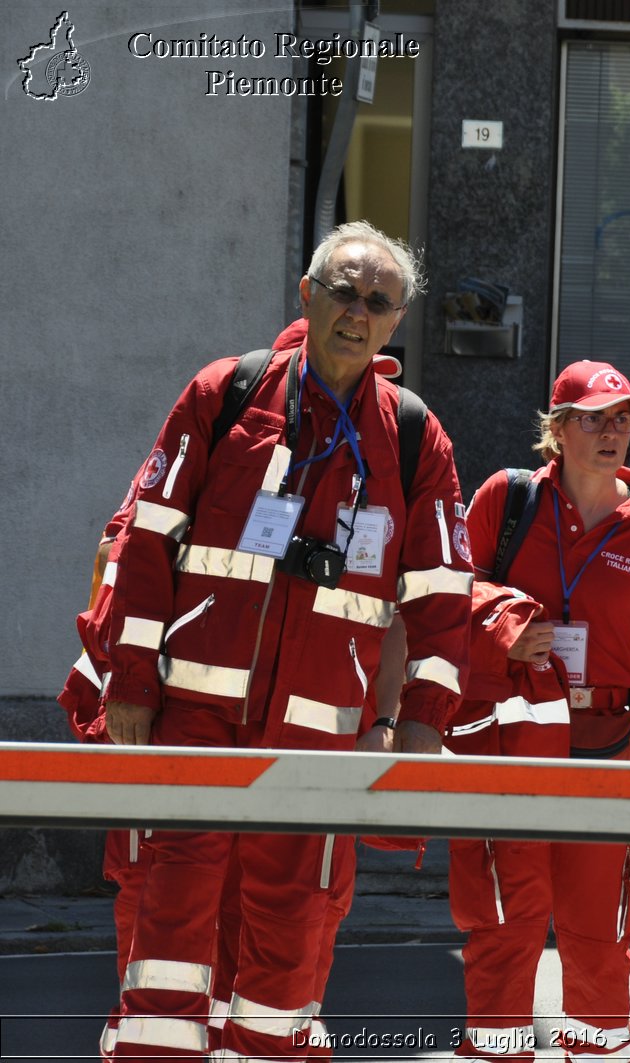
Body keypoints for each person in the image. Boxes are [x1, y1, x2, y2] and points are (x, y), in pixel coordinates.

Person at [102, 221, 473, 1061]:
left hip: (319, 743)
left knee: (286, 945)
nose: (357, 310)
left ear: (397, 323)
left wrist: (421, 719)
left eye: (378, 301)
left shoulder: (416, 438)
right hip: (193, 718)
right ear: (304, 295)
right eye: (343, 290)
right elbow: (146, 541)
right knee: (171, 924)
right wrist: (130, 676)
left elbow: (445, 598)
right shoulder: (225, 392)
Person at [448, 360, 630, 1063]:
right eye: (596, 417)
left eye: (625, 419)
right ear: (557, 429)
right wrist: (502, 625)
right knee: (502, 927)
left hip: (607, 749)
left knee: (600, 938)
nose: (614, 431)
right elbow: (445, 591)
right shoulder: (508, 497)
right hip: (509, 748)